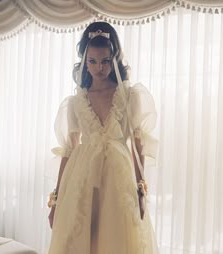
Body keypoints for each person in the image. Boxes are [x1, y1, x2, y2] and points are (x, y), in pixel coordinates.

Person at [47, 21, 159, 254]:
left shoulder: (129, 96)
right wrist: (56, 201)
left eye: (105, 61)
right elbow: (68, 150)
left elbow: (137, 144)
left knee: (115, 239)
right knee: (83, 237)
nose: (99, 67)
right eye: (93, 61)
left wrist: (140, 188)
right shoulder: (75, 102)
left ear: (114, 59)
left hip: (117, 179)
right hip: (82, 178)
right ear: (85, 62)